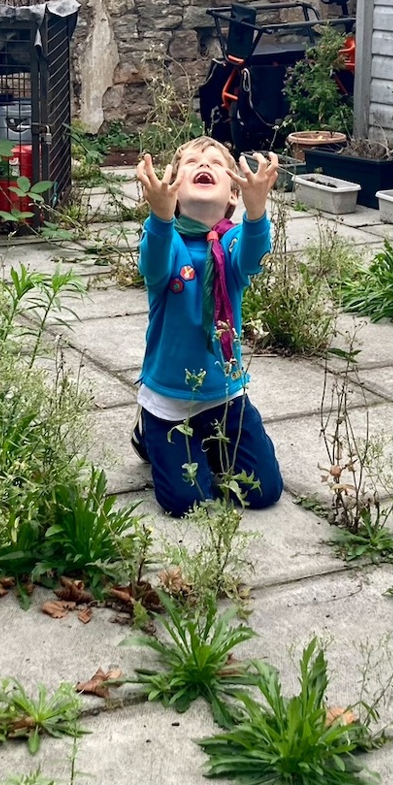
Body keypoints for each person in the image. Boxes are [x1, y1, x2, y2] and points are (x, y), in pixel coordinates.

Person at [132, 137, 284, 517]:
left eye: (217, 162)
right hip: (170, 402)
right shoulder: (167, 242)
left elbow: (251, 256)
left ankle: (211, 441)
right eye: (193, 162)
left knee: (264, 490)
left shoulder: (233, 240)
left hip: (225, 396)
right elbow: (152, 265)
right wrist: (161, 217)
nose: (205, 164)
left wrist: (256, 211)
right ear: (174, 191)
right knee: (189, 503)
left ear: (233, 194)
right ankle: (149, 436)